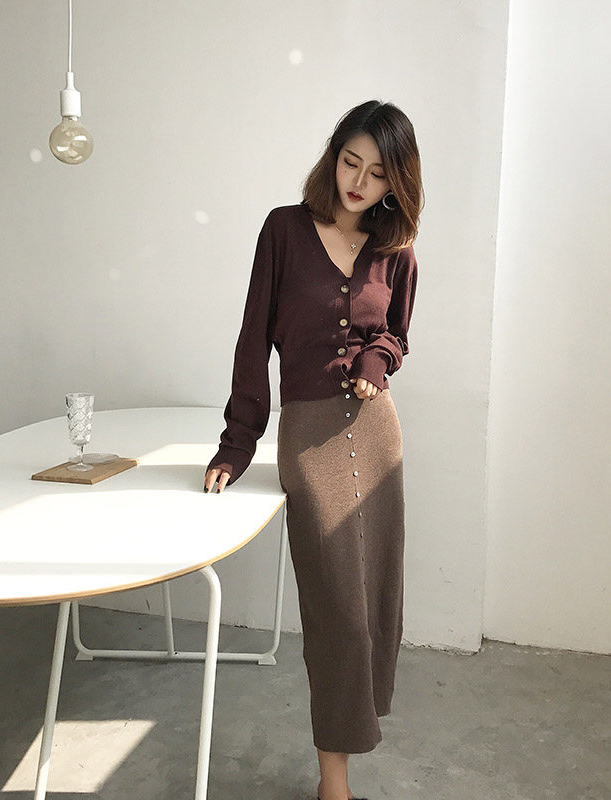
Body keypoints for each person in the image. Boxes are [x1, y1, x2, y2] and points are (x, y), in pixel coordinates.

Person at [204, 99, 423, 800]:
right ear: (333, 158)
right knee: (336, 612)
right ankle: (336, 781)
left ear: (396, 183)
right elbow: (253, 342)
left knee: (375, 601)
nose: (358, 182)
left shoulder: (396, 251)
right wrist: (237, 444)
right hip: (310, 437)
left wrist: (376, 361)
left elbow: (396, 334)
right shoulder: (284, 231)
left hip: (377, 434)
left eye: (377, 173)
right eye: (350, 162)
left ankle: (339, 779)